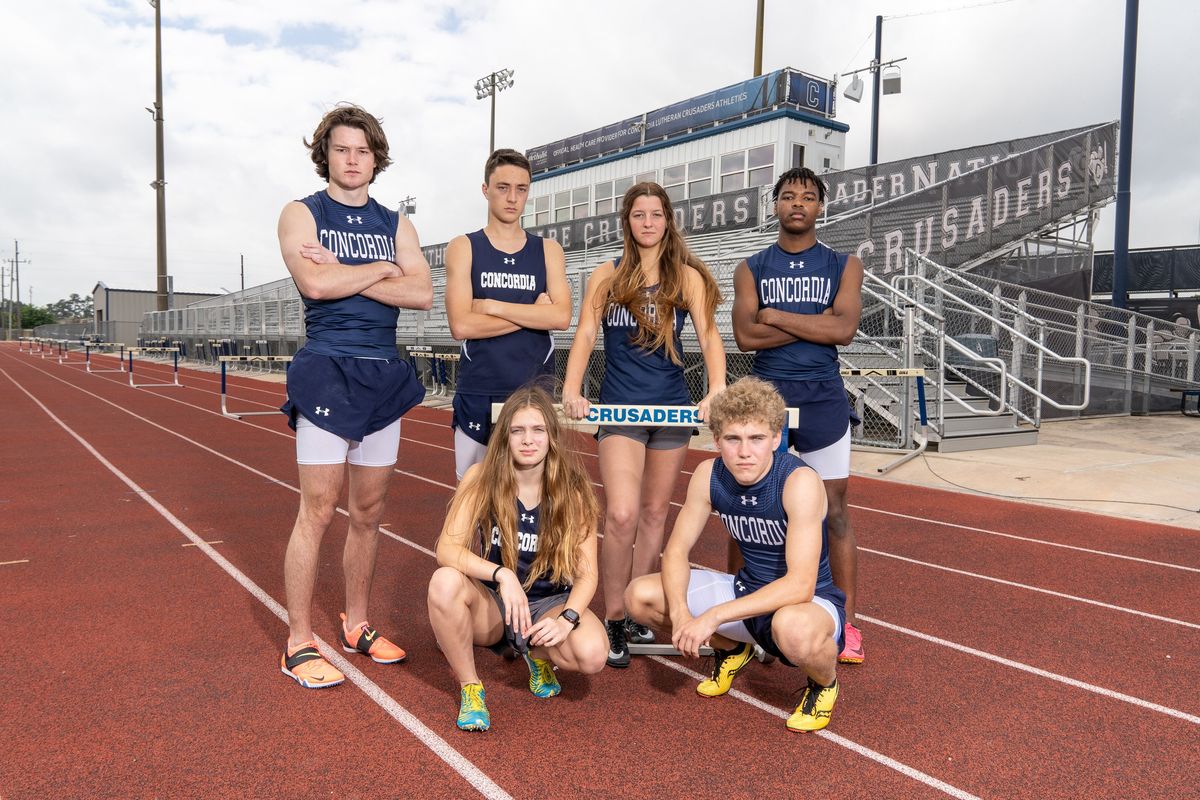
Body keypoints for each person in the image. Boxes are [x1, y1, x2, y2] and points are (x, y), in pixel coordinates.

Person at [276, 104, 433, 688]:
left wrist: (350, 267)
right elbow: (315, 284)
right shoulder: (301, 213)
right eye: (342, 149)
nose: (352, 159)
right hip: (327, 372)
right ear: (326, 155)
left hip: (383, 375)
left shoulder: (397, 222)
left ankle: (357, 624)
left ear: (376, 158)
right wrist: (380, 269)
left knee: (368, 513)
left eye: (362, 151)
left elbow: (421, 294)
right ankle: (297, 643)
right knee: (317, 510)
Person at [562, 182, 726, 668]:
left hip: (671, 412)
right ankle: (612, 616)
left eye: (656, 214)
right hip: (620, 412)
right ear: (627, 221)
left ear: (668, 220)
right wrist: (572, 391)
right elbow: (586, 333)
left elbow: (710, 333)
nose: (648, 222)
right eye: (639, 214)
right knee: (621, 514)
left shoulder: (685, 277)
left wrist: (716, 389)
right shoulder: (605, 276)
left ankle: (634, 606)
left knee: (655, 514)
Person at [625, 377, 845, 732]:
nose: (745, 452)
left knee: (792, 629)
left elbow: (800, 586)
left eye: (757, 439)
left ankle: (824, 684)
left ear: (776, 438)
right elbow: (676, 551)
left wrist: (712, 618)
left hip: (809, 604)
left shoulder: (798, 481)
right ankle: (732, 650)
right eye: (733, 439)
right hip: (748, 592)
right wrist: (681, 615)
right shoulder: (708, 475)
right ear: (717, 441)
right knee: (640, 596)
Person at [731, 167, 866, 665]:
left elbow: (845, 329)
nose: (797, 204)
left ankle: (846, 623)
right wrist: (817, 324)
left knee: (834, 512)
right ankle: (743, 622)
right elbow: (747, 338)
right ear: (775, 206)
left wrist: (777, 316)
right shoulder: (751, 267)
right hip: (766, 402)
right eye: (788, 196)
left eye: (808, 197)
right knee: (747, 515)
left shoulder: (844, 265)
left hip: (823, 398)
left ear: (820, 207)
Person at [428, 385, 607, 731]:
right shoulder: (482, 477)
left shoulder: (574, 490)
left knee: (593, 653)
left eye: (538, 430)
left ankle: (537, 656)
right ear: (505, 436)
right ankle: (471, 687)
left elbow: (587, 576)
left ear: (552, 436)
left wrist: (566, 620)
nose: (528, 440)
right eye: (518, 430)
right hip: (496, 606)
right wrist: (502, 576)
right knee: (444, 582)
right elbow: (446, 550)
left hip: (548, 604)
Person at [445, 149, 571, 480]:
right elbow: (461, 325)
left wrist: (491, 306)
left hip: (534, 391)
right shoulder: (464, 247)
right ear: (485, 189)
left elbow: (560, 318)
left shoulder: (548, 250)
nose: (512, 198)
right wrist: (534, 313)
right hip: (480, 390)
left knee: (532, 502)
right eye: (503, 187)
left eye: (521, 188)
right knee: (473, 503)